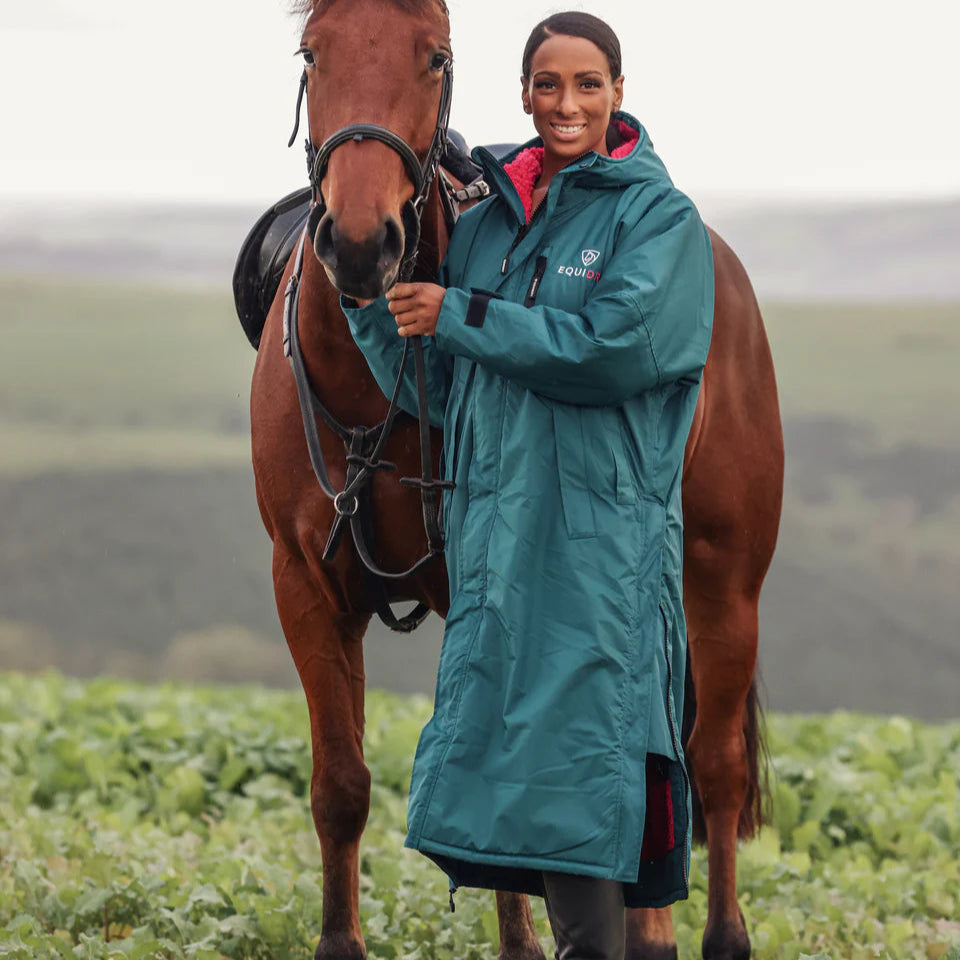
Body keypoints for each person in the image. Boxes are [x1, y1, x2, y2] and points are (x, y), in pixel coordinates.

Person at [342, 11, 714, 960]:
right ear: (521, 94)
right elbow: (445, 388)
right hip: (500, 549)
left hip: (597, 555)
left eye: (588, 84)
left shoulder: (658, 220)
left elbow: (612, 351)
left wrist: (459, 314)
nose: (566, 103)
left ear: (619, 93)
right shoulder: (487, 229)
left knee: (583, 783)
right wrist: (369, 306)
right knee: (530, 798)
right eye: (548, 84)